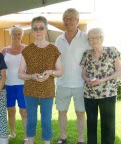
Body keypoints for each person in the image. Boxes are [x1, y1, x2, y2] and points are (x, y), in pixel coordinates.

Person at [18, 16, 63, 144]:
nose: (38, 31)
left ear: (46, 29)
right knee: (31, 119)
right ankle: (30, 141)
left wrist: (51, 72)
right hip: (30, 90)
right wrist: (31, 76)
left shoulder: (53, 49)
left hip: (47, 91)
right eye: (35, 28)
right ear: (32, 31)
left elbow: (60, 71)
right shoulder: (26, 51)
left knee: (46, 120)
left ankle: (46, 142)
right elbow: (20, 74)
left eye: (41, 28)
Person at [55, 8, 90, 144]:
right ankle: (63, 137)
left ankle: (81, 140)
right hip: (62, 83)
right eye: (65, 19)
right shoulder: (59, 39)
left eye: (71, 18)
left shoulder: (86, 38)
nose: (67, 21)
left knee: (80, 112)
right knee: (61, 111)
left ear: (77, 21)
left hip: (81, 84)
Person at [81, 28, 121, 144]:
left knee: (108, 124)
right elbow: (83, 73)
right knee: (91, 123)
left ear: (102, 38)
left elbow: (119, 71)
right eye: (90, 38)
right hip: (89, 94)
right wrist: (87, 79)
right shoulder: (87, 54)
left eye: (96, 37)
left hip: (107, 94)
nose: (93, 40)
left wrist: (102, 80)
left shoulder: (112, 51)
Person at [2, 25, 27, 142]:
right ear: (10, 35)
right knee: (10, 110)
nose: (16, 36)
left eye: (19, 34)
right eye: (14, 33)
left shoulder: (27, 49)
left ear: (22, 35)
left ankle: (27, 135)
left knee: (24, 111)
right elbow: (0, 69)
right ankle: (12, 133)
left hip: (23, 84)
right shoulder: (4, 51)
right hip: (8, 85)